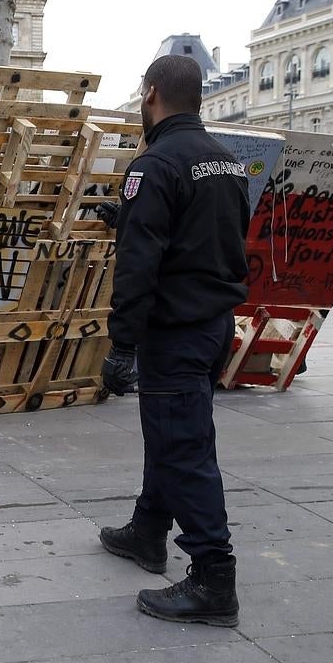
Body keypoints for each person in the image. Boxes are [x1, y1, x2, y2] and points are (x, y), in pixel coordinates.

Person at [98, 55, 250, 628]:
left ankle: (215, 577)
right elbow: (207, 238)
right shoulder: (228, 163)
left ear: (151, 92)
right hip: (213, 326)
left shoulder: (155, 165)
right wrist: (129, 219)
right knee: (173, 434)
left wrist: (123, 344)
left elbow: (141, 267)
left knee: (185, 450)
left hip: (175, 332)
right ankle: (148, 530)